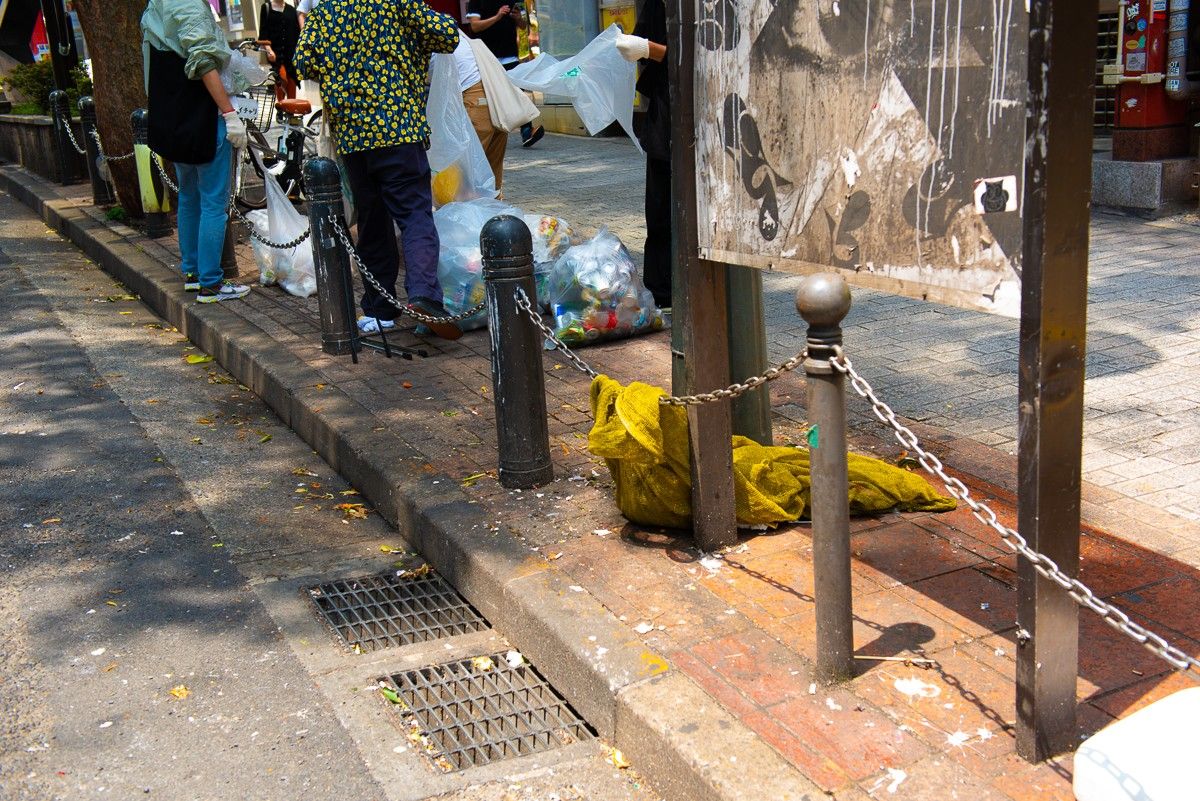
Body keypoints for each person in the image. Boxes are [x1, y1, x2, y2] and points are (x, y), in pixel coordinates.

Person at [295, 0, 464, 340]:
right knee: (414, 214)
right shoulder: (397, 3)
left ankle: (379, 310)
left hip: (354, 135)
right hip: (398, 129)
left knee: (372, 220)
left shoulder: (327, 10)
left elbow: (303, 61)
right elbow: (448, 35)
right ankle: (424, 296)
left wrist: (341, 64)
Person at [141, 0, 251, 304]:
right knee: (214, 203)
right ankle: (211, 284)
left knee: (189, 197)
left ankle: (192, 274)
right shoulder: (189, 6)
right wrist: (229, 114)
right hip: (202, 117)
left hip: (175, 120)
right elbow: (204, 63)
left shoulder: (156, 6)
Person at [616, 2, 671, 309]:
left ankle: (680, 285)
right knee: (660, 210)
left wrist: (651, 50)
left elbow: (703, 53)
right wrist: (637, 47)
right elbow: (640, 40)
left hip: (698, 114)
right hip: (664, 115)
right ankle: (662, 291)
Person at [464, 0, 543, 148]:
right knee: (489, 97)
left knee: (518, 93)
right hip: (486, 58)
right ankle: (486, 133)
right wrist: (498, 16)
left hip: (510, 56)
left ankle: (527, 132)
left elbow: (523, 26)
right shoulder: (476, 1)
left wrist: (518, 18)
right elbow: (474, 26)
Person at [453, 32, 507, 192]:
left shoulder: (433, 41)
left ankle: (471, 207)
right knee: (492, 161)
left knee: (467, 165)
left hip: (474, 98)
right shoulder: (462, 38)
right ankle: (494, 204)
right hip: (495, 98)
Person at [259, 0, 300, 99]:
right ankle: (281, 108)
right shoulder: (266, 8)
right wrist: (269, 50)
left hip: (291, 55)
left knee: (292, 83)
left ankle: (290, 111)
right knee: (282, 78)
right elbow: (263, 33)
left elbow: (296, 33)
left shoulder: (291, 10)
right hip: (276, 54)